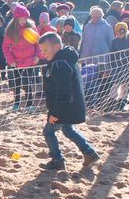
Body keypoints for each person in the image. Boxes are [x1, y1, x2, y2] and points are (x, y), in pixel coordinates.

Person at [38, 32, 100, 171]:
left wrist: (55, 113)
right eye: (41, 50)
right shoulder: (65, 59)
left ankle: (57, 160)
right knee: (68, 129)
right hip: (72, 106)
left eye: (46, 50)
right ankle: (89, 153)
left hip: (64, 107)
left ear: (57, 47)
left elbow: (64, 92)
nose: (43, 53)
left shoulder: (60, 64)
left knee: (48, 132)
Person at [2, 5, 42, 110]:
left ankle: (29, 104)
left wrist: (37, 56)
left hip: (30, 60)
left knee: (28, 82)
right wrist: (11, 60)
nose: (23, 21)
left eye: (25, 18)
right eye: (21, 19)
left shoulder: (31, 27)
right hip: (16, 61)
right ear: (16, 19)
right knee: (17, 83)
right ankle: (16, 103)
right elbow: (5, 47)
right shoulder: (10, 30)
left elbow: (38, 43)